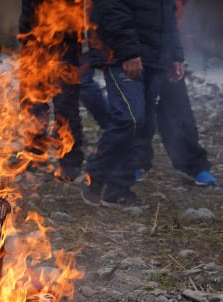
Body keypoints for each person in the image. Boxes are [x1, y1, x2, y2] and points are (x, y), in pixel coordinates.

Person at [80, 0, 216, 187]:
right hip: (125, 53)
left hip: (159, 52)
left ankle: (193, 165)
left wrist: (176, 55)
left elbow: (169, 14)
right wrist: (128, 52)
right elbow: (112, 11)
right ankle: (130, 165)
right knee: (136, 115)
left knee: (176, 107)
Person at [18, 0, 84, 182]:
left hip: (66, 42)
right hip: (33, 40)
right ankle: (34, 156)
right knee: (32, 103)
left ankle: (70, 161)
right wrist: (26, 37)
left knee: (66, 103)